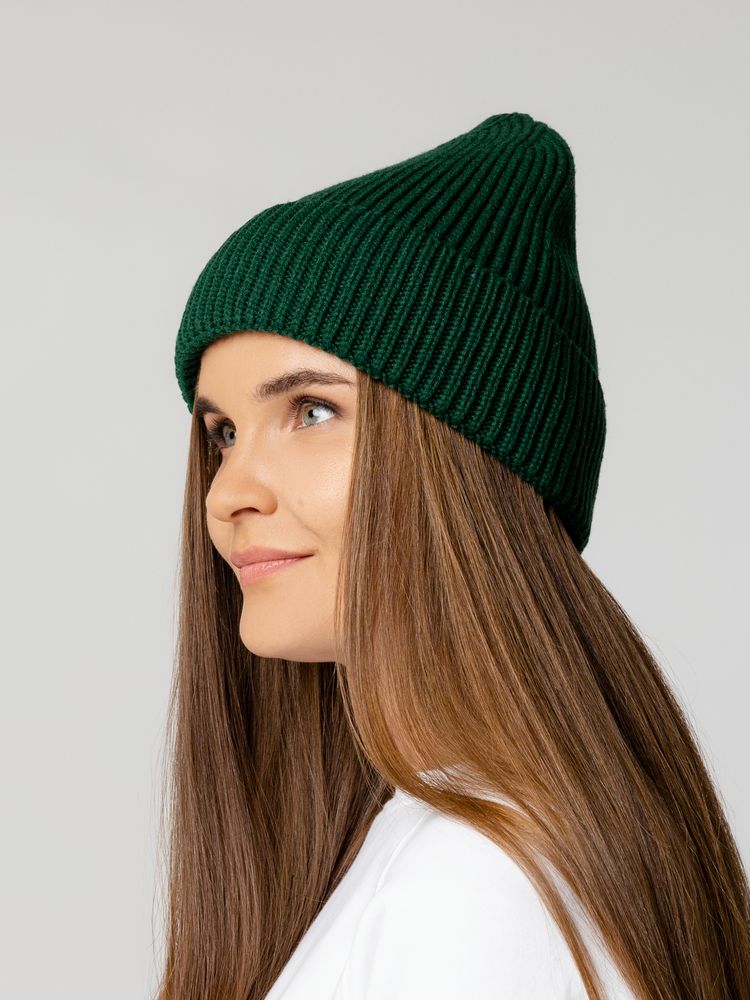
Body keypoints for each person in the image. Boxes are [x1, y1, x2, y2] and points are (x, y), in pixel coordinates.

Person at [156, 112, 750, 1000]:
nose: (225, 493)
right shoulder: (456, 849)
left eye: (312, 411)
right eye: (224, 434)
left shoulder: (471, 884)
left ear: (465, 461)